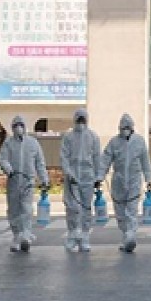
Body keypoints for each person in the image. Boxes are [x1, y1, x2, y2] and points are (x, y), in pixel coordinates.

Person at [98, 113, 151, 253]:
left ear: (132, 128)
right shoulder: (114, 142)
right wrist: (99, 177)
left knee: (131, 211)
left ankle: (131, 235)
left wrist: (149, 179)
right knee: (120, 213)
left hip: (134, 180)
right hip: (118, 181)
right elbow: (105, 160)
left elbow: (145, 162)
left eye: (127, 127)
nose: (125, 130)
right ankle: (126, 236)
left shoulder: (139, 141)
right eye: (123, 127)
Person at [0, 115, 49, 252]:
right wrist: (8, 169)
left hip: (28, 182)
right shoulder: (8, 143)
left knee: (26, 209)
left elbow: (40, 163)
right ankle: (17, 236)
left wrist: (44, 179)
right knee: (13, 210)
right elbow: (3, 159)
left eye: (20, 125)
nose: (18, 128)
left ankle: (26, 235)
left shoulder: (33, 143)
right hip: (13, 181)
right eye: (15, 126)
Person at [60, 108, 101, 252]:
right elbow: (64, 156)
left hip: (87, 176)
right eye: (79, 119)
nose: (81, 122)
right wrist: (68, 172)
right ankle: (72, 236)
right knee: (72, 208)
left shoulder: (93, 137)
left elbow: (97, 158)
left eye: (83, 119)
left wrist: (98, 176)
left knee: (85, 208)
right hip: (72, 177)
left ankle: (84, 237)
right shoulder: (68, 137)